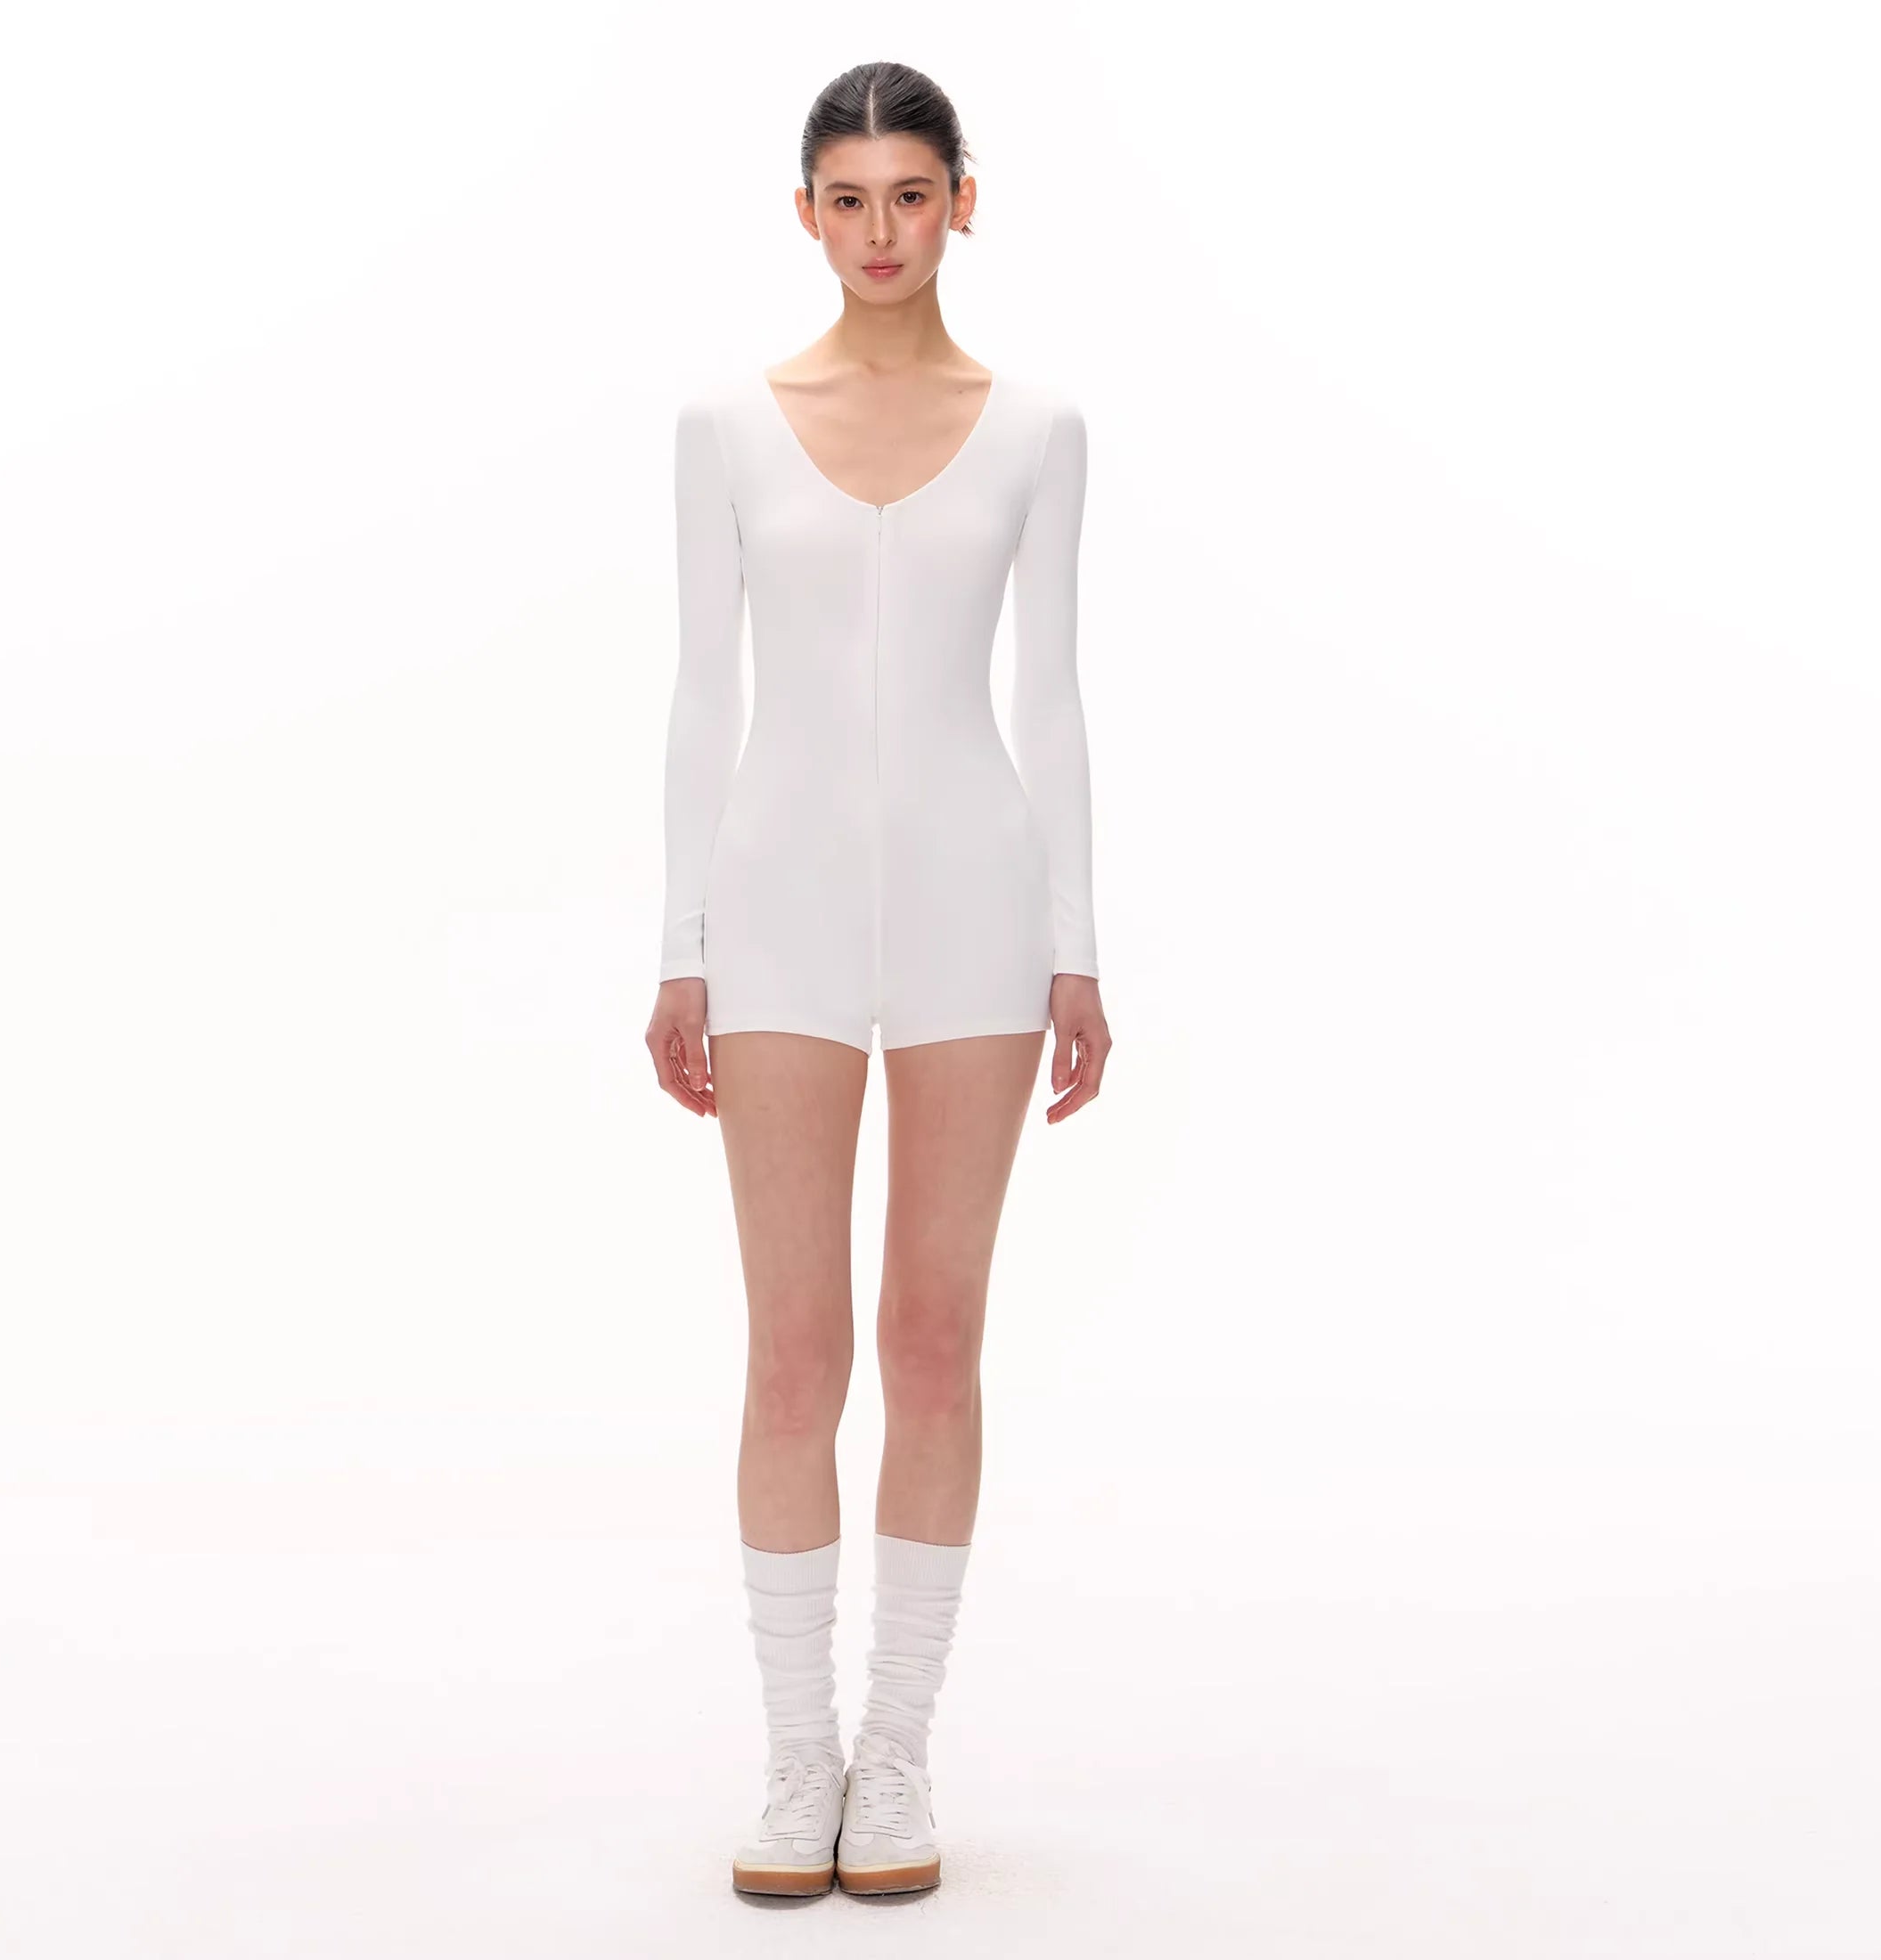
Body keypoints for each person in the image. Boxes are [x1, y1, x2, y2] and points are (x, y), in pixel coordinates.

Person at [644, 60, 1113, 1899]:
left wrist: (1077, 943)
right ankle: (796, 1759)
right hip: (774, 913)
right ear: (805, 214)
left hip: (975, 914)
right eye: (846, 199)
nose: (879, 231)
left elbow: (1050, 698)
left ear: (960, 202)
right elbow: (702, 696)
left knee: (930, 1336)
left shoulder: (1037, 427)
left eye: (910, 194)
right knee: (793, 1350)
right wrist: (678, 944)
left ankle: (895, 1751)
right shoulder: (726, 425)